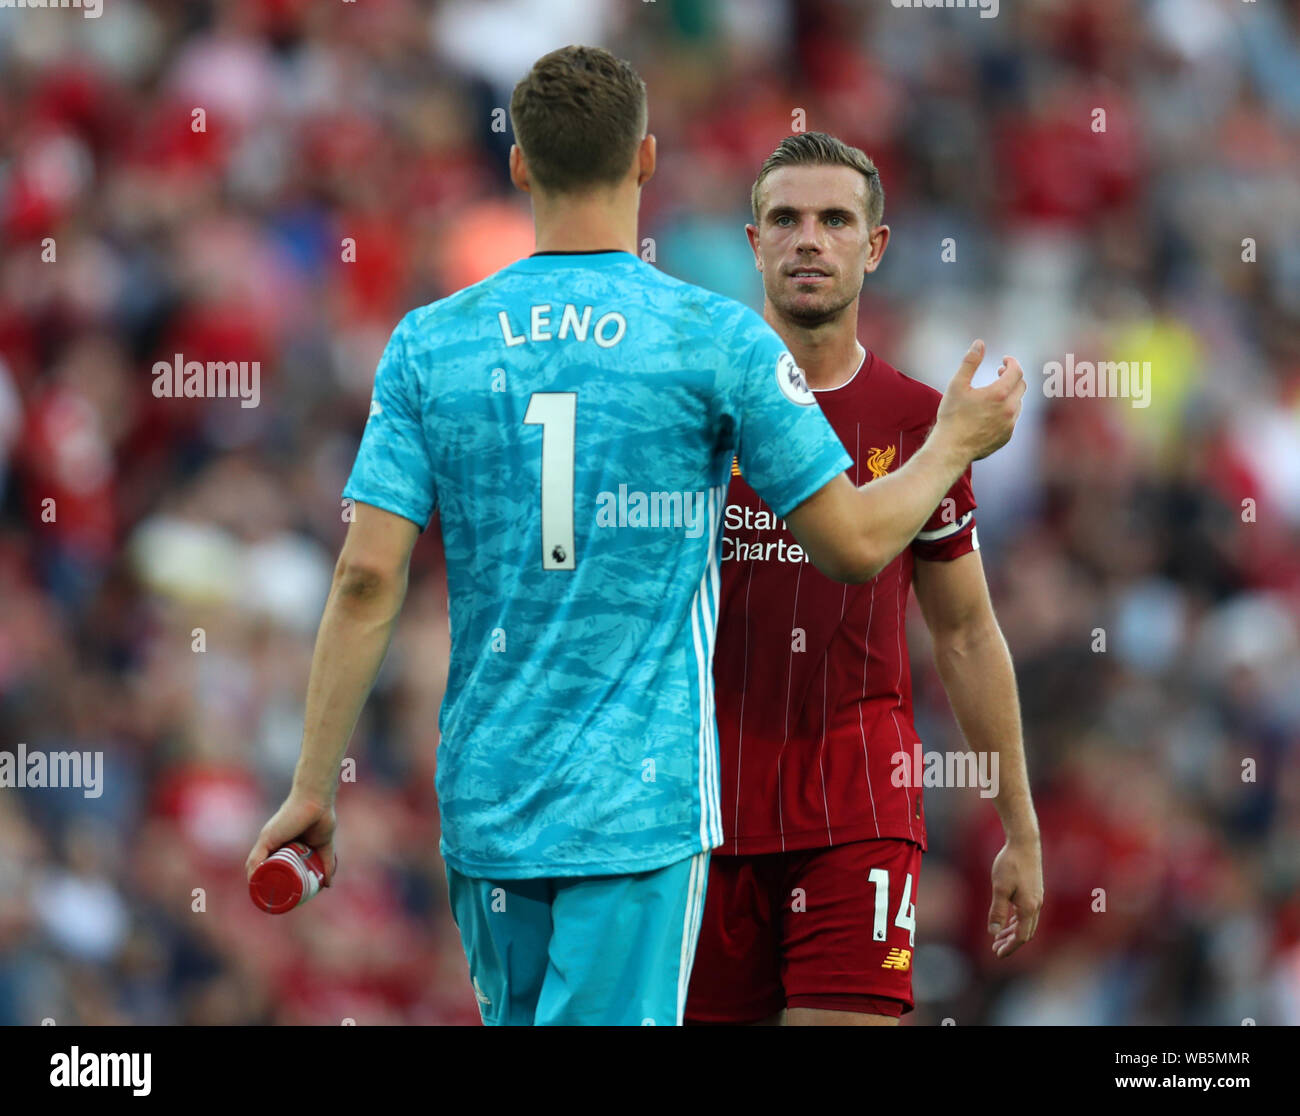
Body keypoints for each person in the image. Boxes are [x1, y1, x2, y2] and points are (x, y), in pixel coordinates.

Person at [245, 51, 1025, 1026]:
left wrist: (313, 785)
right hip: (637, 809)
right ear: (646, 160)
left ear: (521, 166)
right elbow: (854, 545)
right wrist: (953, 437)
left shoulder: (427, 343)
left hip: (487, 802)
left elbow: (366, 578)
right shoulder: (712, 339)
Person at [685, 132, 1044, 1027]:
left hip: (859, 813)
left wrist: (1020, 825)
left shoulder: (923, 420)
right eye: (787, 219)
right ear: (753, 241)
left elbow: (963, 631)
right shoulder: (690, 410)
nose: (810, 238)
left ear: (873, 246)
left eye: (835, 220)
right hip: (696, 818)